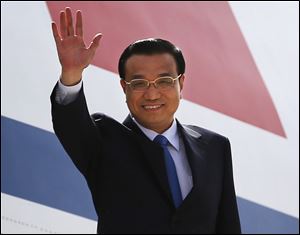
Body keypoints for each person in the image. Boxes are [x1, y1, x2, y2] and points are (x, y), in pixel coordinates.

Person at [50, 7, 241, 234]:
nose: (152, 94)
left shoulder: (214, 148)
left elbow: (227, 225)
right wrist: (71, 75)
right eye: (139, 84)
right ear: (124, 87)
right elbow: (71, 125)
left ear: (181, 83)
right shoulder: (105, 141)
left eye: (164, 81)